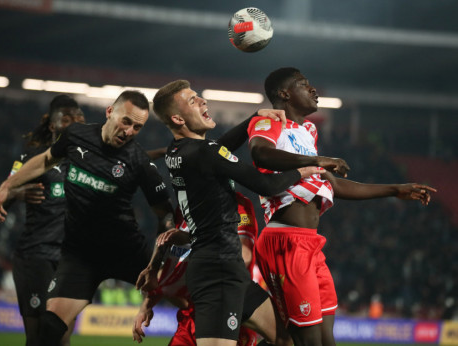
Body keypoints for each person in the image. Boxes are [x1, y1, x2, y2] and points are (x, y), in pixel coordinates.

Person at [246, 67, 437, 346]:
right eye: (303, 84)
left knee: (325, 339)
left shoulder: (308, 131)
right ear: (284, 94)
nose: (312, 89)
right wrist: (316, 161)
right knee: (302, 340)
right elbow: (260, 153)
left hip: (311, 244)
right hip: (285, 241)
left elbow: (333, 185)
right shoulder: (270, 122)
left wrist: (395, 189)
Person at [138, 79, 324, 346]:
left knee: (287, 341)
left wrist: (254, 119)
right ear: (178, 118)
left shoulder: (177, 151)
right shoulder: (204, 153)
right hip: (217, 271)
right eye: (193, 100)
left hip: (228, 269)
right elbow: (266, 185)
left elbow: (219, 147)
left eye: (199, 96)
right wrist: (305, 169)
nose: (202, 101)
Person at [0, 90, 175, 346]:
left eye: (138, 127)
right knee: (47, 331)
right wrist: (8, 186)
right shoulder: (76, 135)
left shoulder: (139, 162)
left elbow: (165, 214)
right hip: (80, 255)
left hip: (125, 250)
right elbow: (46, 159)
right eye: (127, 121)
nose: (130, 131)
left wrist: (157, 264)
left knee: (194, 296)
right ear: (109, 112)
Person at [5, 95, 84, 346]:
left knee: (63, 338)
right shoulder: (31, 157)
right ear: (53, 125)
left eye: (79, 117)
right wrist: (16, 193)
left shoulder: (87, 159)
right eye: (67, 119)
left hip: (70, 260)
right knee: (38, 338)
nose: (75, 122)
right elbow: (3, 195)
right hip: (36, 256)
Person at [133, 192, 260, 345]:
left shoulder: (238, 205)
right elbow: (174, 266)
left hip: (228, 312)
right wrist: (147, 304)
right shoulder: (183, 209)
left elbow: (244, 256)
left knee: (282, 339)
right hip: (191, 317)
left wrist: (195, 241)